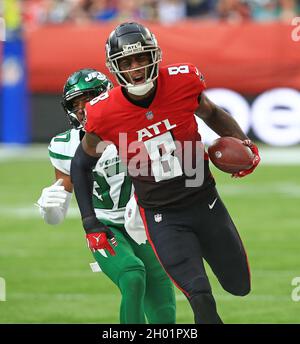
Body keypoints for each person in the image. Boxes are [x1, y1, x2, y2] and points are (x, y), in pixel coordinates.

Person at [70, 23, 261, 324]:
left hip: (205, 201)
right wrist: (90, 222)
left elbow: (211, 113)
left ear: (154, 56)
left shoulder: (182, 82)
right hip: (162, 216)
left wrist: (244, 145)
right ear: (115, 67)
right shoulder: (104, 112)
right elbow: (81, 163)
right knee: (200, 297)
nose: (136, 68)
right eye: (127, 62)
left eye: (141, 58)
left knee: (239, 286)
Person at [36, 68, 176, 324]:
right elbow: (57, 215)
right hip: (103, 226)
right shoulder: (63, 145)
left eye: (88, 99)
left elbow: (170, 175)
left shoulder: (138, 127)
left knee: (163, 311)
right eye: (75, 103)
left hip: (145, 221)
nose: (81, 108)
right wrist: (49, 209)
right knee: (132, 276)